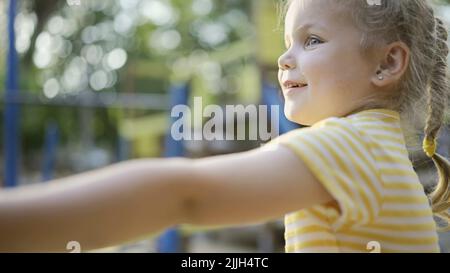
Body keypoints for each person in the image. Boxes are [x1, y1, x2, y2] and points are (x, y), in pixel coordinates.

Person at [1, 0, 449, 253]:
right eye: (288, 41)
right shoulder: (378, 148)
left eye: (312, 40)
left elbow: (186, 195)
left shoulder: (351, 146)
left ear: (388, 63)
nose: (285, 58)